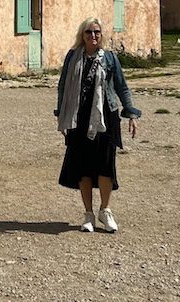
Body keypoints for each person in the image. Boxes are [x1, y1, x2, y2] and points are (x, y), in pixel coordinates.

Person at [54, 17, 141, 233]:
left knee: (105, 166)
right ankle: (88, 214)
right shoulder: (73, 57)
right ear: (81, 35)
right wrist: (61, 115)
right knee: (83, 168)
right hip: (78, 117)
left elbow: (122, 87)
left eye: (97, 32)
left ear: (101, 35)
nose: (93, 36)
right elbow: (63, 86)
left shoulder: (110, 58)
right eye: (88, 32)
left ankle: (105, 210)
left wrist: (131, 114)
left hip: (106, 117)